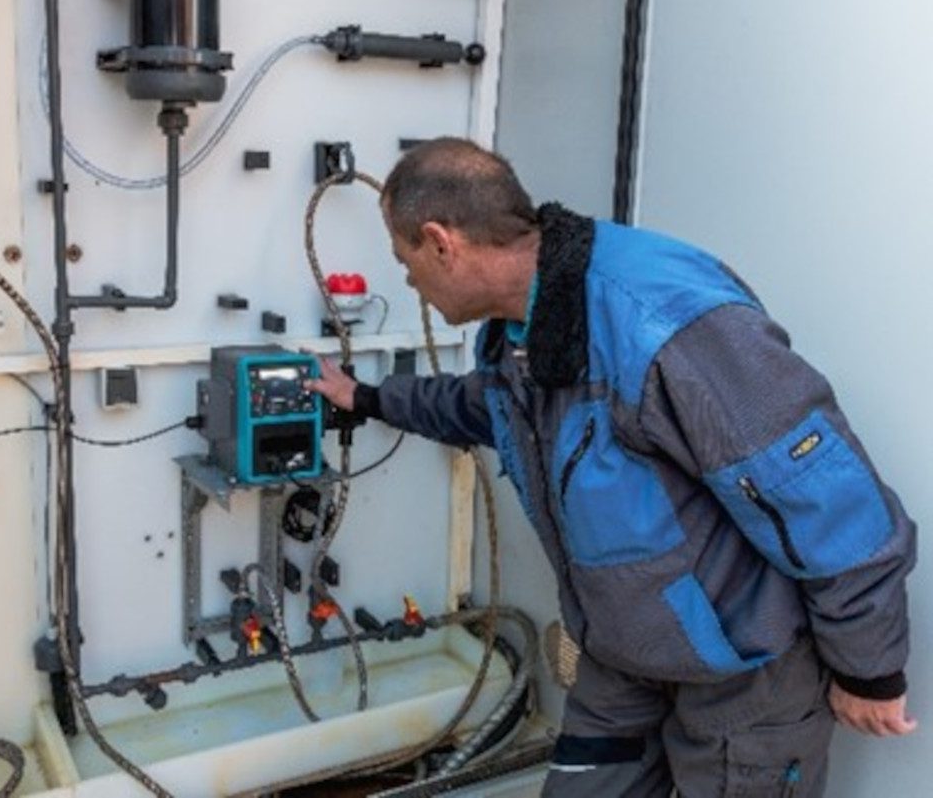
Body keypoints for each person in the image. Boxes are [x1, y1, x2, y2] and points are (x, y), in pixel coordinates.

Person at [305, 137, 917, 797]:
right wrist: (365, 397)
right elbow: (488, 406)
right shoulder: (526, 329)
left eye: (406, 263)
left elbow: (821, 492)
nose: (410, 283)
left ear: (440, 243)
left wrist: (868, 667)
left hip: (745, 671)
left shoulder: (659, 319)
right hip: (623, 657)